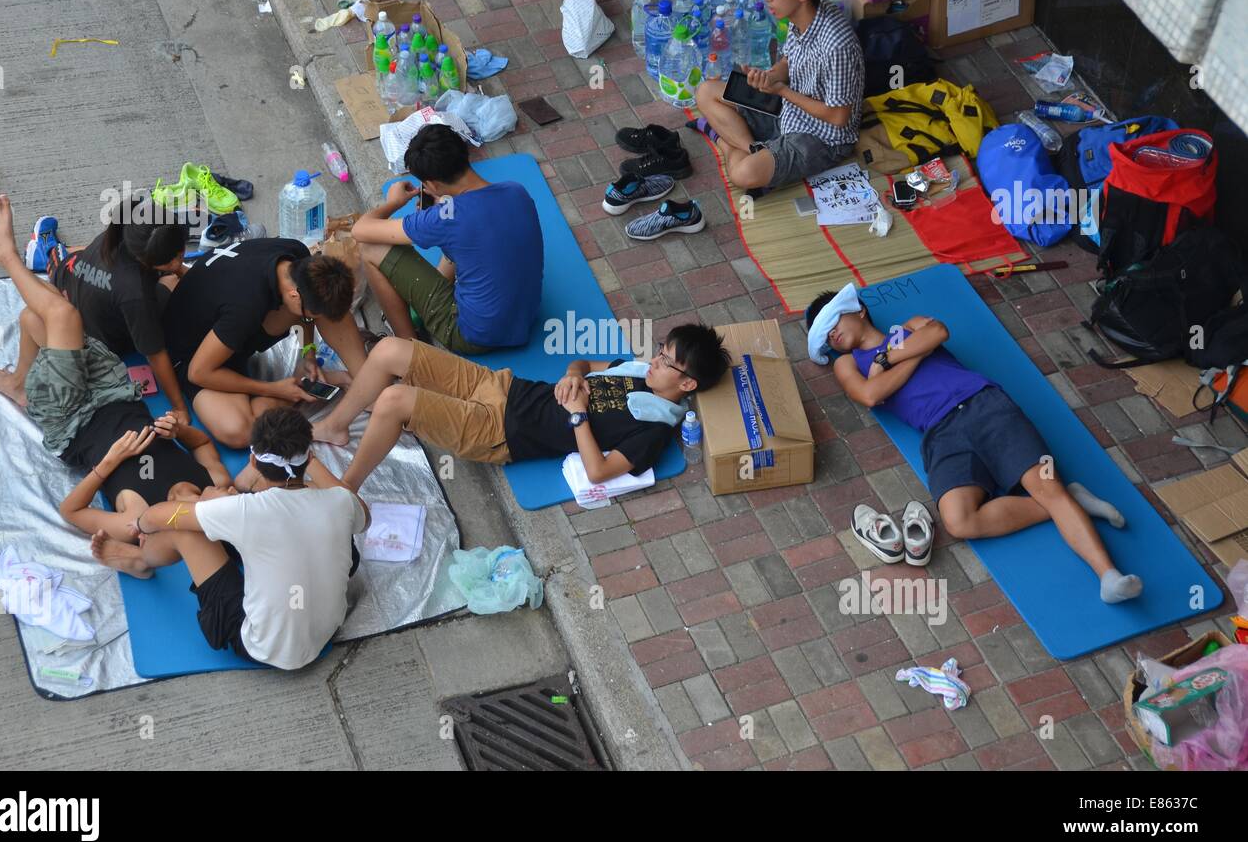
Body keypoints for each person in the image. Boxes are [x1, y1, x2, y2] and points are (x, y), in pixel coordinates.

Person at [805, 285, 1144, 604]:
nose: (832, 336)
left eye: (831, 321)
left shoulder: (906, 326)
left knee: (1044, 486)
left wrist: (885, 362)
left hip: (984, 404)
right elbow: (871, 394)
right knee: (959, 521)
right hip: (939, 431)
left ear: (859, 310)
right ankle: (1069, 502)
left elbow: (938, 332)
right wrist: (914, 354)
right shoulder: (847, 363)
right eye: (826, 337)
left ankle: (1109, 576)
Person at [90, 408, 369, 670]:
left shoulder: (241, 510)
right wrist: (310, 461)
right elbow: (362, 515)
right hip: (328, 629)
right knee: (337, 534)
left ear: (252, 461)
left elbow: (162, 516)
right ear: (309, 456)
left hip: (263, 646)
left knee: (186, 531)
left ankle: (141, 561)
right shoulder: (341, 500)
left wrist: (144, 522)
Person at [311, 324, 731, 491]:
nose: (655, 359)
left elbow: (599, 472)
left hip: (498, 431)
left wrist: (579, 416)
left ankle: (346, 490)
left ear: (687, 383)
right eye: (660, 350)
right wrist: (572, 374)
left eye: (666, 361)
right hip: (501, 386)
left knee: (394, 400)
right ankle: (335, 426)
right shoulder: (639, 371)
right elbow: (585, 364)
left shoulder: (653, 430)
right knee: (389, 350)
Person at [0, 194, 191, 420]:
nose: (178, 263)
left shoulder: (116, 235)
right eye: (170, 261)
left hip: (68, 284)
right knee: (172, 283)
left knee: (31, 315)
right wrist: (179, 407)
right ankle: (13, 256)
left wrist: (175, 266)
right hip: (93, 343)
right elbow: (155, 354)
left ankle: (51, 254)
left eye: (180, 254)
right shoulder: (135, 294)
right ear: (142, 257)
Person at [348, 124, 544, 352]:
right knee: (471, 239)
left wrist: (394, 202)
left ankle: (409, 349)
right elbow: (472, 223)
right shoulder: (515, 190)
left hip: (474, 335)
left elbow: (361, 230)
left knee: (370, 248)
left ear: (431, 184)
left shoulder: (442, 219)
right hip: (523, 321)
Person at [691, 0, 864, 195]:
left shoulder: (837, 46)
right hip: (789, 108)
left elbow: (838, 117)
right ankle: (756, 151)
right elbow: (788, 61)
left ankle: (727, 143)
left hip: (821, 137)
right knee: (706, 91)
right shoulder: (803, 15)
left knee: (742, 174)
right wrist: (769, 76)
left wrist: (781, 90)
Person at [161, 236, 365, 448]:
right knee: (239, 431)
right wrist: (273, 389)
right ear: (294, 295)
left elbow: (307, 312)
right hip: (194, 356)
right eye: (310, 316)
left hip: (228, 330)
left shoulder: (296, 255)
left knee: (329, 305)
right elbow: (198, 372)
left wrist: (309, 351)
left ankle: (364, 380)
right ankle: (298, 390)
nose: (311, 319)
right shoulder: (245, 307)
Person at [58, 411, 231, 541]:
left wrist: (110, 462)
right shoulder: (216, 481)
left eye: (234, 500)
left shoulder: (136, 520)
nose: (232, 489)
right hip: (121, 397)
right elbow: (202, 443)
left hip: (72, 424)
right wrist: (178, 431)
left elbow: (70, 510)